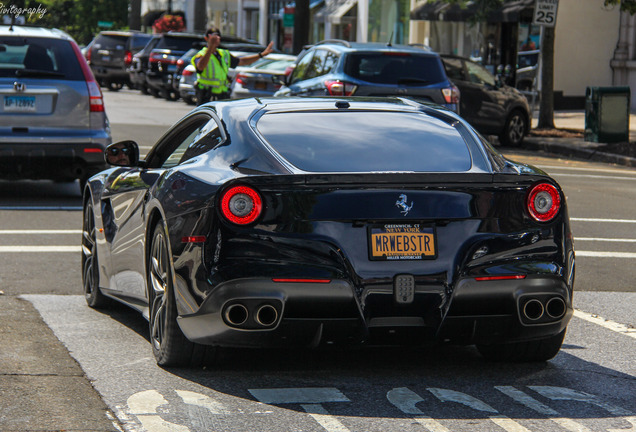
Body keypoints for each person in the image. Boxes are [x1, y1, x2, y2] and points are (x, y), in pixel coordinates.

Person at [192, 27, 274, 105]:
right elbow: (200, 67)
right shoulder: (201, 54)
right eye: (213, 36)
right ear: (206, 38)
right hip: (206, 96)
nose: (216, 38)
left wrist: (261, 55)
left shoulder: (224, 54)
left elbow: (242, 61)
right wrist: (210, 48)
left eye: (218, 36)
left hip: (221, 96)